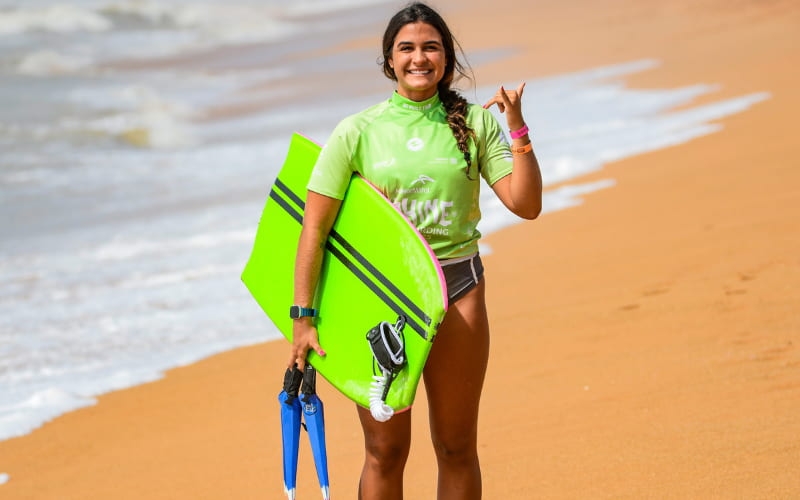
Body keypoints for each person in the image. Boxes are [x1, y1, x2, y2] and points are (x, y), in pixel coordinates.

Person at [287, 2, 542, 499]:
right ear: (389, 60)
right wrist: (304, 318)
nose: (419, 58)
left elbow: (526, 204)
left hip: (458, 290)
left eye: (431, 47)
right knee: (385, 449)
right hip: (382, 300)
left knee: (456, 446)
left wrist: (517, 129)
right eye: (407, 48)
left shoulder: (474, 123)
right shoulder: (357, 132)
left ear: (447, 58)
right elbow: (312, 231)